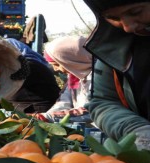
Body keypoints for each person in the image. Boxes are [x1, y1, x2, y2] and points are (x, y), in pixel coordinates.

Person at [82, 0, 150, 150]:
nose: (128, 27)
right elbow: (103, 101)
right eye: (114, 18)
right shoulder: (116, 49)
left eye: (135, 12)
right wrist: (138, 131)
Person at [38, 36, 93, 125]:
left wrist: (50, 116)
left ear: (71, 60)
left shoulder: (100, 76)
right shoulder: (74, 77)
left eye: (57, 64)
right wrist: (46, 115)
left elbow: (92, 110)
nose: (55, 69)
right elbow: (64, 101)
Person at [4, 38, 60, 113]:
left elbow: (3, 83)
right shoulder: (30, 63)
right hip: (28, 109)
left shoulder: (27, 65)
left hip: (39, 114)